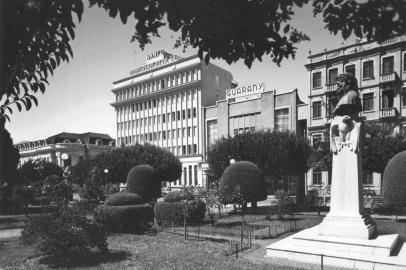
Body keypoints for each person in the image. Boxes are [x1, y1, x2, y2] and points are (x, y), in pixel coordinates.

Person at [330, 73, 362, 154]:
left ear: (348, 83)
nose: (339, 85)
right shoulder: (344, 97)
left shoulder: (351, 96)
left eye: (341, 82)